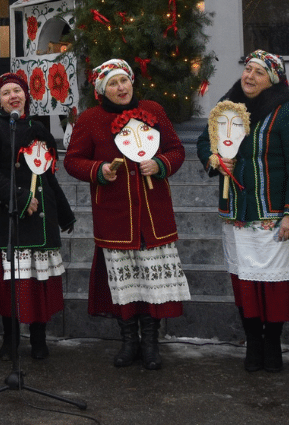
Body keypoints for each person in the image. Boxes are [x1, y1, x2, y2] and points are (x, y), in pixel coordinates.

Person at [63, 58, 189, 371]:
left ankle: (150, 343)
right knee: (125, 283)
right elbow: (72, 160)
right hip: (115, 216)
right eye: (113, 83)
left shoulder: (153, 110)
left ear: (132, 82)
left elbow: (176, 149)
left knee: (150, 283)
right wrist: (98, 170)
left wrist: (160, 165)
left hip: (152, 214)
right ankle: (128, 341)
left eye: (124, 81)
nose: (121, 88)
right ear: (102, 89)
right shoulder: (91, 119)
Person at [197, 51, 289, 373]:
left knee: (272, 287)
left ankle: (272, 344)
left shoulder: (288, 113)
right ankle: (253, 342)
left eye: (259, 73)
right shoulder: (229, 106)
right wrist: (215, 159)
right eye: (247, 69)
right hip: (237, 213)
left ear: (272, 80)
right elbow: (205, 141)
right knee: (245, 282)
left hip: (274, 215)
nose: (249, 76)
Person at [0, 72, 75, 361]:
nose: (12, 96)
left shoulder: (39, 129)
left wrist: (65, 213)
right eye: (6, 93)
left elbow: (48, 174)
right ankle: (10, 338)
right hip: (8, 216)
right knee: (12, 285)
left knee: (38, 284)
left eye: (17, 91)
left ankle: (39, 339)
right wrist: (20, 199)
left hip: (41, 216)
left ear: (26, 96)